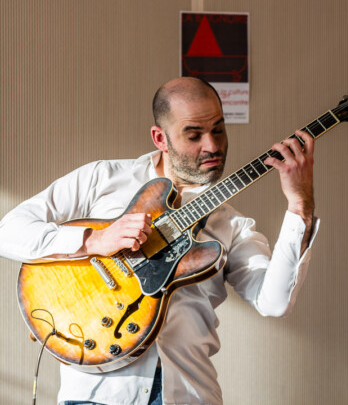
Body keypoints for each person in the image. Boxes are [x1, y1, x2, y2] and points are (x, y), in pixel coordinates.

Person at [0, 77, 319, 405]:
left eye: (219, 130)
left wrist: (300, 204)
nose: (212, 145)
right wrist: (95, 239)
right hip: (95, 395)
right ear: (160, 138)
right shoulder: (102, 179)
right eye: (194, 135)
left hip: (188, 395)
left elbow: (275, 302)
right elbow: (7, 231)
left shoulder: (233, 226)